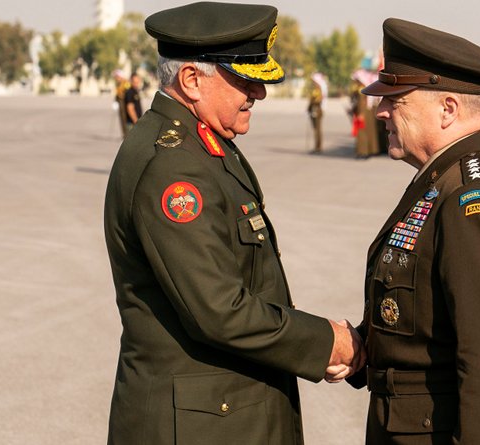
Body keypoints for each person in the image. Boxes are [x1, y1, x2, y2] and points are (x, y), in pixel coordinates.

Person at [103, 3, 364, 444]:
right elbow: (219, 309)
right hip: (200, 424)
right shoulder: (174, 167)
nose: (257, 93)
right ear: (191, 81)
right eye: (244, 80)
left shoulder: (201, 142)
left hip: (221, 412)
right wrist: (327, 343)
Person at [344, 18, 480, 444]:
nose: (380, 110)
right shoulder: (441, 180)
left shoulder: (474, 202)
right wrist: (361, 349)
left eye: (396, 99)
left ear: (448, 109)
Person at [307, 72, 324, 153]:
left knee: (317, 130)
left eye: (314, 81)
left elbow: (318, 100)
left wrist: (311, 105)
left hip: (316, 110)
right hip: (314, 110)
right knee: (316, 129)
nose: (313, 82)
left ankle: (318, 147)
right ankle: (317, 146)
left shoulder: (318, 90)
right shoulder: (316, 89)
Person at [112, 69, 130, 138]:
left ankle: (127, 134)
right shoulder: (118, 84)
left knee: (126, 120)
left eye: (117, 77)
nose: (116, 78)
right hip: (121, 104)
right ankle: (124, 134)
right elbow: (117, 94)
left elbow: (127, 93)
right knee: (122, 119)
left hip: (126, 104)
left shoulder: (126, 83)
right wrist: (115, 101)